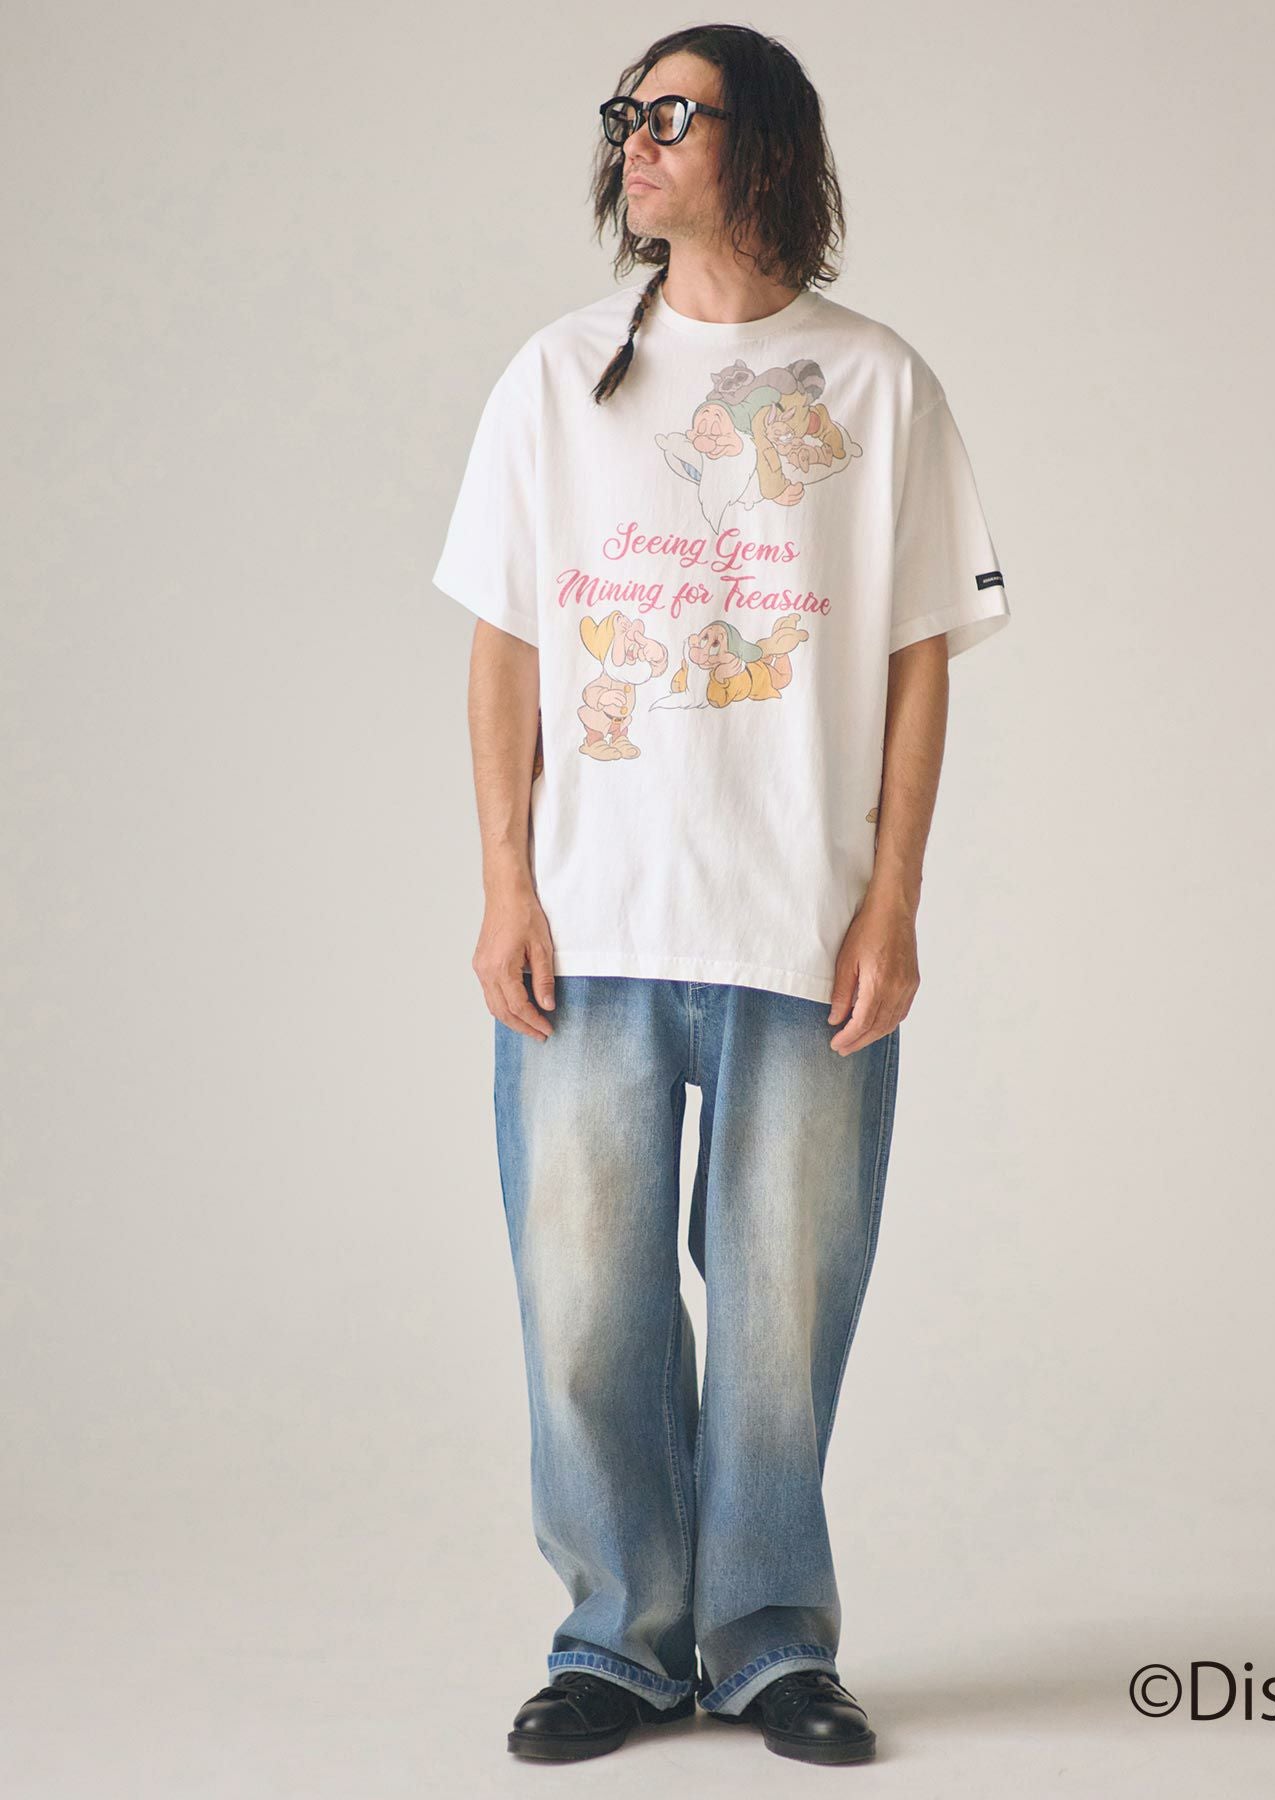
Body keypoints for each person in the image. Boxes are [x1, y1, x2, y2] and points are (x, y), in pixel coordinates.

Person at [431, 22, 1011, 1767]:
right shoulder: (556, 380)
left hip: (799, 933)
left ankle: (767, 1643)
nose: (637, 138)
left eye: (672, 113)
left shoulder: (876, 386)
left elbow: (918, 662)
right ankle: (617, 1639)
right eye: (627, 113)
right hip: (594, 928)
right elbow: (505, 654)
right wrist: (505, 886)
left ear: (762, 143)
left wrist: (894, 901)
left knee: (782, 1317)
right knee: (583, 1310)